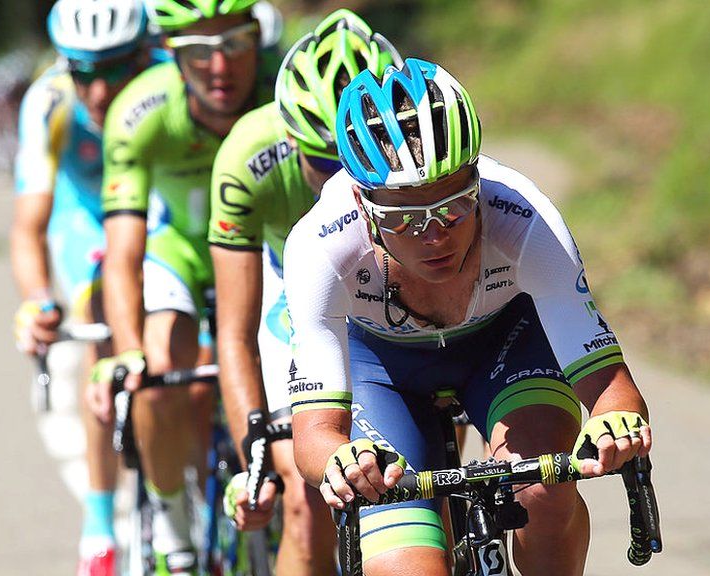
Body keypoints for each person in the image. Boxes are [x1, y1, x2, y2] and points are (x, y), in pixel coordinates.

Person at [283, 58, 653, 576]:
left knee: (544, 492)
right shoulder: (319, 246)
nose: (434, 235)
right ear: (365, 209)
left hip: (505, 343)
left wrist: (615, 421)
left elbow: (610, 384)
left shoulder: (526, 217)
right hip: (382, 368)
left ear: (478, 181)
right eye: (403, 218)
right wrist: (341, 460)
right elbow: (315, 433)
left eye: (454, 206)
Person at [207, 9, 401, 574]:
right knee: (305, 497)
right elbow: (236, 332)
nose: (344, 181)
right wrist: (255, 457)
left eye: (361, 158)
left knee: (423, 478)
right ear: (291, 140)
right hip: (288, 303)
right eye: (324, 163)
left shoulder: (419, 140)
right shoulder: (247, 157)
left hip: (389, 288)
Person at [90, 1, 280, 573]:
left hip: (258, 250)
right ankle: (173, 527)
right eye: (199, 52)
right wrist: (126, 351)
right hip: (180, 255)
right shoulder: (140, 111)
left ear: (258, 41)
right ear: (171, 55)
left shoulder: (282, 100)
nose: (219, 66)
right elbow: (124, 256)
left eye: (235, 45)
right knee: (156, 364)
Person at [9, 1, 156, 574]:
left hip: (154, 209)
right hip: (86, 222)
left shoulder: (171, 79)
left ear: (146, 53)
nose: (99, 89)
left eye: (116, 67)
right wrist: (37, 300)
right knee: (103, 309)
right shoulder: (49, 102)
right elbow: (29, 228)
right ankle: (100, 523)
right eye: (83, 70)